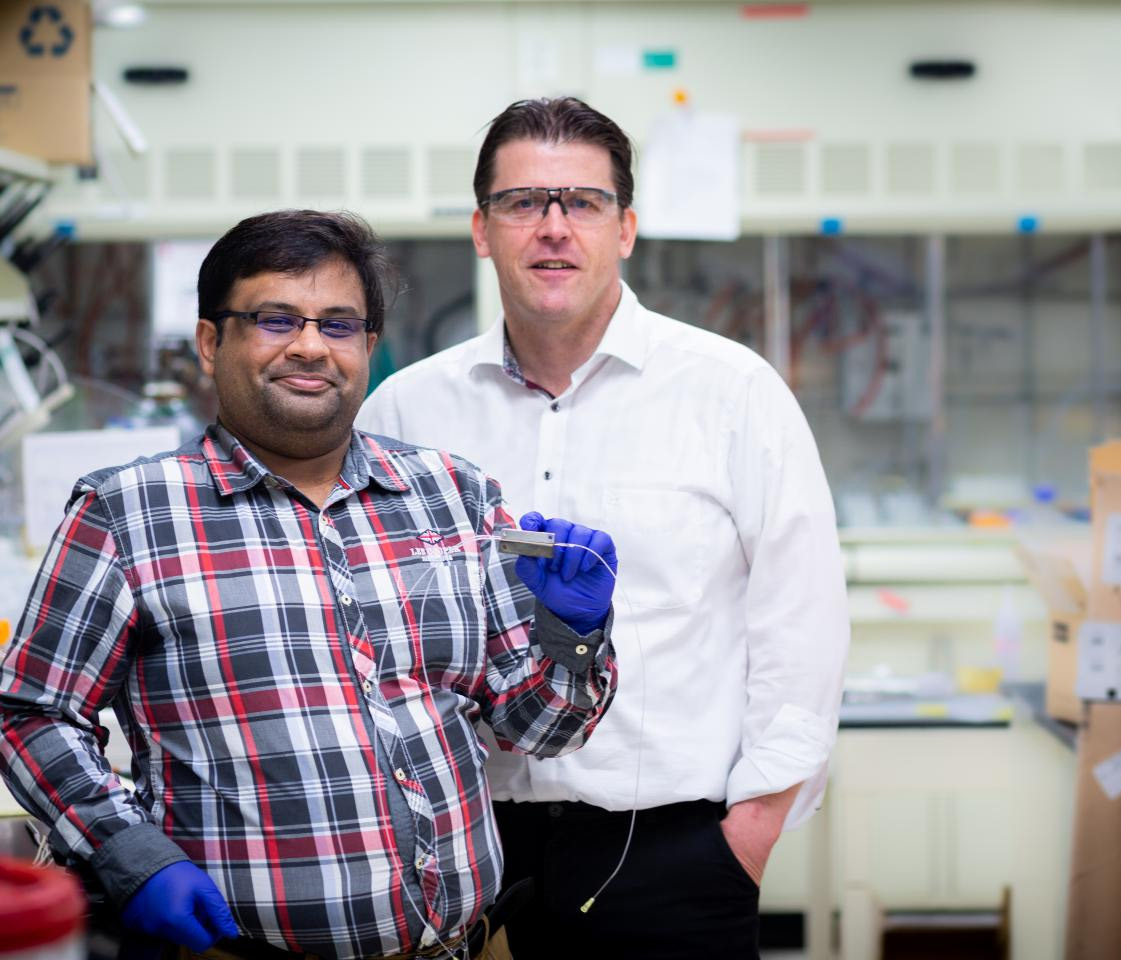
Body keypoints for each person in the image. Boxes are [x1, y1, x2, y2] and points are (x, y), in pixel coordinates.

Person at [0, 210, 621, 960]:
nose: (311, 346)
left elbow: (537, 728)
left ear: (368, 348)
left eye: (339, 324)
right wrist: (128, 852)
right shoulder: (128, 513)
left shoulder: (453, 494)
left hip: (469, 946)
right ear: (211, 342)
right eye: (275, 319)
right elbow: (30, 713)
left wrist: (574, 636)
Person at [357, 97, 849, 959]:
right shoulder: (408, 408)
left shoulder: (731, 392)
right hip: (458, 854)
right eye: (523, 203)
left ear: (625, 228)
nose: (553, 227)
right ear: (481, 228)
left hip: (671, 854)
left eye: (581, 202)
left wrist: (753, 830)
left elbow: (801, 618)